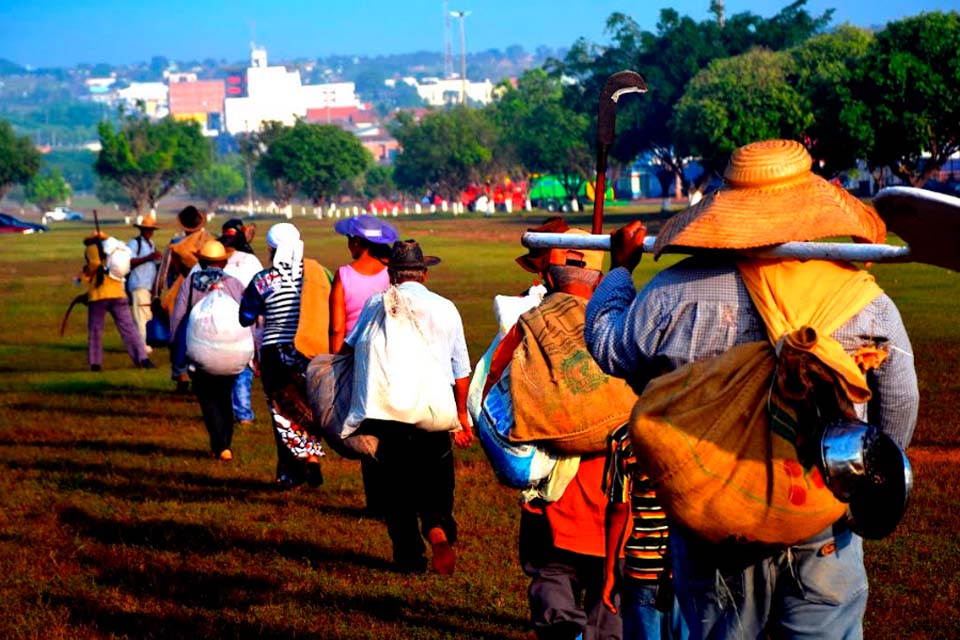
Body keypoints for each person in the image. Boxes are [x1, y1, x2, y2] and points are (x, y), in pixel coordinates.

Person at [584, 139, 920, 638]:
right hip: (821, 517)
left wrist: (618, 272)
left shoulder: (672, 291)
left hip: (715, 526)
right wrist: (862, 479)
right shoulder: (865, 301)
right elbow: (899, 406)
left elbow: (611, 347)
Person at [501, 225, 627, 640]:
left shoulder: (528, 325)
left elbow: (492, 397)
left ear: (549, 277)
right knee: (611, 595)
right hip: (618, 492)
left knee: (552, 572)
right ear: (600, 278)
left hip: (554, 495)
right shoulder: (628, 325)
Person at [343, 239, 473, 574]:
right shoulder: (446, 308)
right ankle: (437, 527)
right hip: (434, 409)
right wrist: (461, 416)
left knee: (396, 489)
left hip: (388, 412)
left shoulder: (376, 304)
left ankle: (409, 556)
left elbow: (350, 349)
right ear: (424, 275)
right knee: (437, 480)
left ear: (392, 275)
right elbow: (461, 370)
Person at [239, 222, 331, 488]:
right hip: (310, 351)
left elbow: (245, 317)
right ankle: (312, 458)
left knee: (282, 411)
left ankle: (289, 473)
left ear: (270, 249)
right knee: (308, 407)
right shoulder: (318, 274)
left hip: (275, 353)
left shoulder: (264, 279)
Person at [329, 214, 398, 517]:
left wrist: (336, 363)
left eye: (350, 240)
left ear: (358, 243)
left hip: (355, 358)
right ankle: (396, 492)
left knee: (366, 427)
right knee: (391, 426)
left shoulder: (343, 275)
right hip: (388, 358)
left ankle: (377, 501)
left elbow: (335, 328)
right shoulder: (391, 275)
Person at [602, 424, 684, 640]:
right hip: (690, 566)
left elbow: (619, 507)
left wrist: (610, 569)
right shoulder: (696, 428)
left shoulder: (624, 437)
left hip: (644, 568)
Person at [170, 240, 248, 461]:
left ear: (202, 262)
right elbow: (246, 317)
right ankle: (225, 443)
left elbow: (178, 316)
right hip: (232, 350)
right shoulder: (235, 283)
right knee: (224, 395)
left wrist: (176, 346)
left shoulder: (191, 282)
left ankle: (220, 444)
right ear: (224, 262)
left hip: (200, 350)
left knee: (208, 398)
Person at [156, 205, 213, 394]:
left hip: (179, 295)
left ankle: (180, 373)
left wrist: (157, 294)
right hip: (204, 293)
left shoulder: (175, 243)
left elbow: (163, 273)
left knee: (179, 334)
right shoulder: (208, 242)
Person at [80, 230, 153, 372]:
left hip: (99, 295)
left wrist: (86, 274)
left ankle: (95, 363)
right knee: (129, 329)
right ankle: (143, 359)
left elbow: (94, 264)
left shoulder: (91, 248)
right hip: (118, 293)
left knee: (96, 329)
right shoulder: (115, 248)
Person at [217, 218, 263, 428]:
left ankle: (225, 411)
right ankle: (244, 414)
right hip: (243, 319)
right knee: (244, 367)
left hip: (215, 321)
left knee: (221, 368)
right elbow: (261, 290)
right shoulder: (251, 261)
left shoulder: (213, 259)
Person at [126, 214, 162, 353]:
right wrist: (149, 257)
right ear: (142, 230)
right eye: (147, 229)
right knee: (140, 317)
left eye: (151, 229)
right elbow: (130, 261)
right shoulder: (135, 243)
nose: (150, 232)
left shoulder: (151, 244)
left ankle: (144, 342)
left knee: (147, 315)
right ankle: (141, 346)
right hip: (138, 284)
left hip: (148, 285)